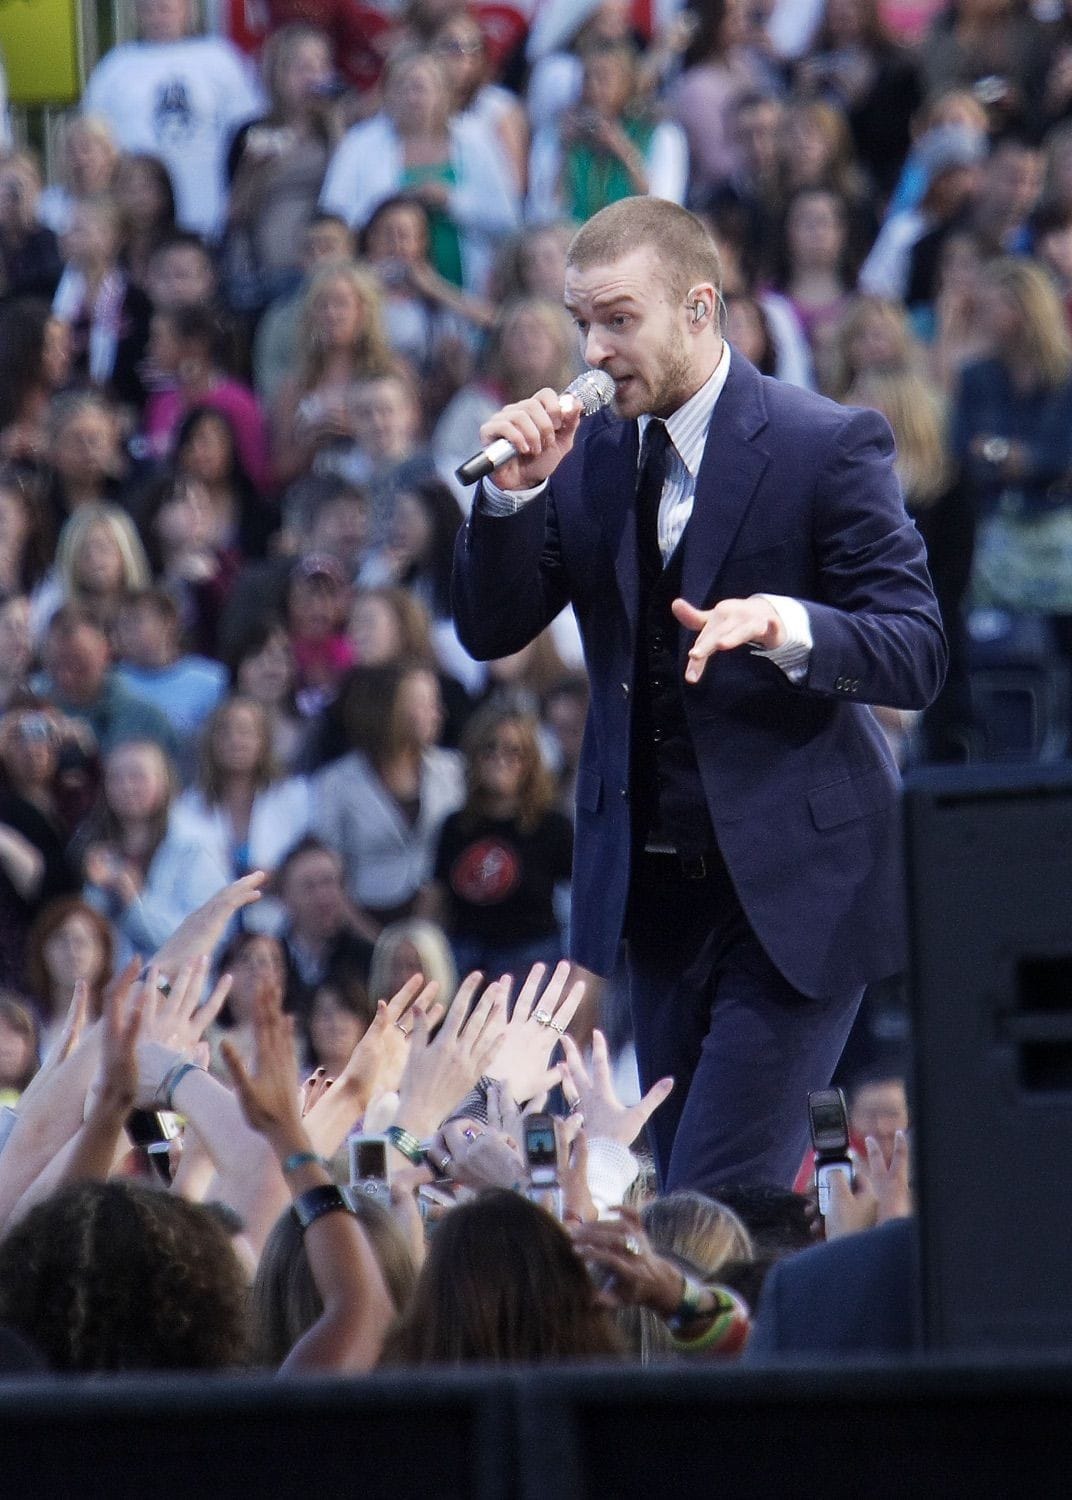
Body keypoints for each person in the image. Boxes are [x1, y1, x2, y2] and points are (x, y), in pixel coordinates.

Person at [452, 196, 946, 1194]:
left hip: (797, 896)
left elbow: (916, 650)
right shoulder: (585, 458)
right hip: (653, 902)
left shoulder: (825, 442)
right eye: (582, 322)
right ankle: (775, 1337)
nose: (593, 350)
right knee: (705, 1203)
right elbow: (490, 628)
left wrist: (788, 627)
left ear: (698, 308)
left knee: (706, 1197)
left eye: (617, 320)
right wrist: (511, 500)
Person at [82, 0, 262, 239]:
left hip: (211, 210)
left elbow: (247, 134)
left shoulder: (221, 59)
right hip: (136, 220)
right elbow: (95, 141)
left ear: (188, 10)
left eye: (166, 8)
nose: (158, 16)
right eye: (149, 8)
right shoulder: (115, 67)